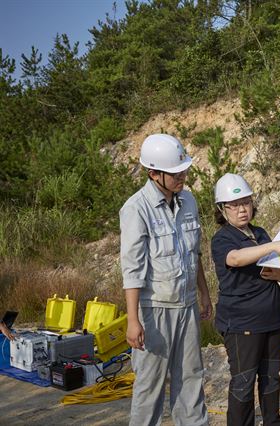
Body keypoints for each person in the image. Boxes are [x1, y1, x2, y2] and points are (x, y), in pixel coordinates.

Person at [120, 133, 212, 426]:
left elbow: (194, 252)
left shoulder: (188, 201)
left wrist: (204, 294)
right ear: (153, 173)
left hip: (186, 307)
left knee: (190, 381)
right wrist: (133, 320)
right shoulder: (136, 209)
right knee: (150, 388)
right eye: (175, 173)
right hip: (153, 310)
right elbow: (132, 268)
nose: (182, 175)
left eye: (183, 169)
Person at [211, 173, 280, 426]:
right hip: (241, 323)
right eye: (234, 205)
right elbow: (235, 259)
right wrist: (272, 248)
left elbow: (277, 273)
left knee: (271, 377)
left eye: (246, 202)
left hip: (271, 318)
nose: (242, 209)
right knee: (244, 381)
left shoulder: (260, 233)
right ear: (222, 209)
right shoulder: (223, 238)